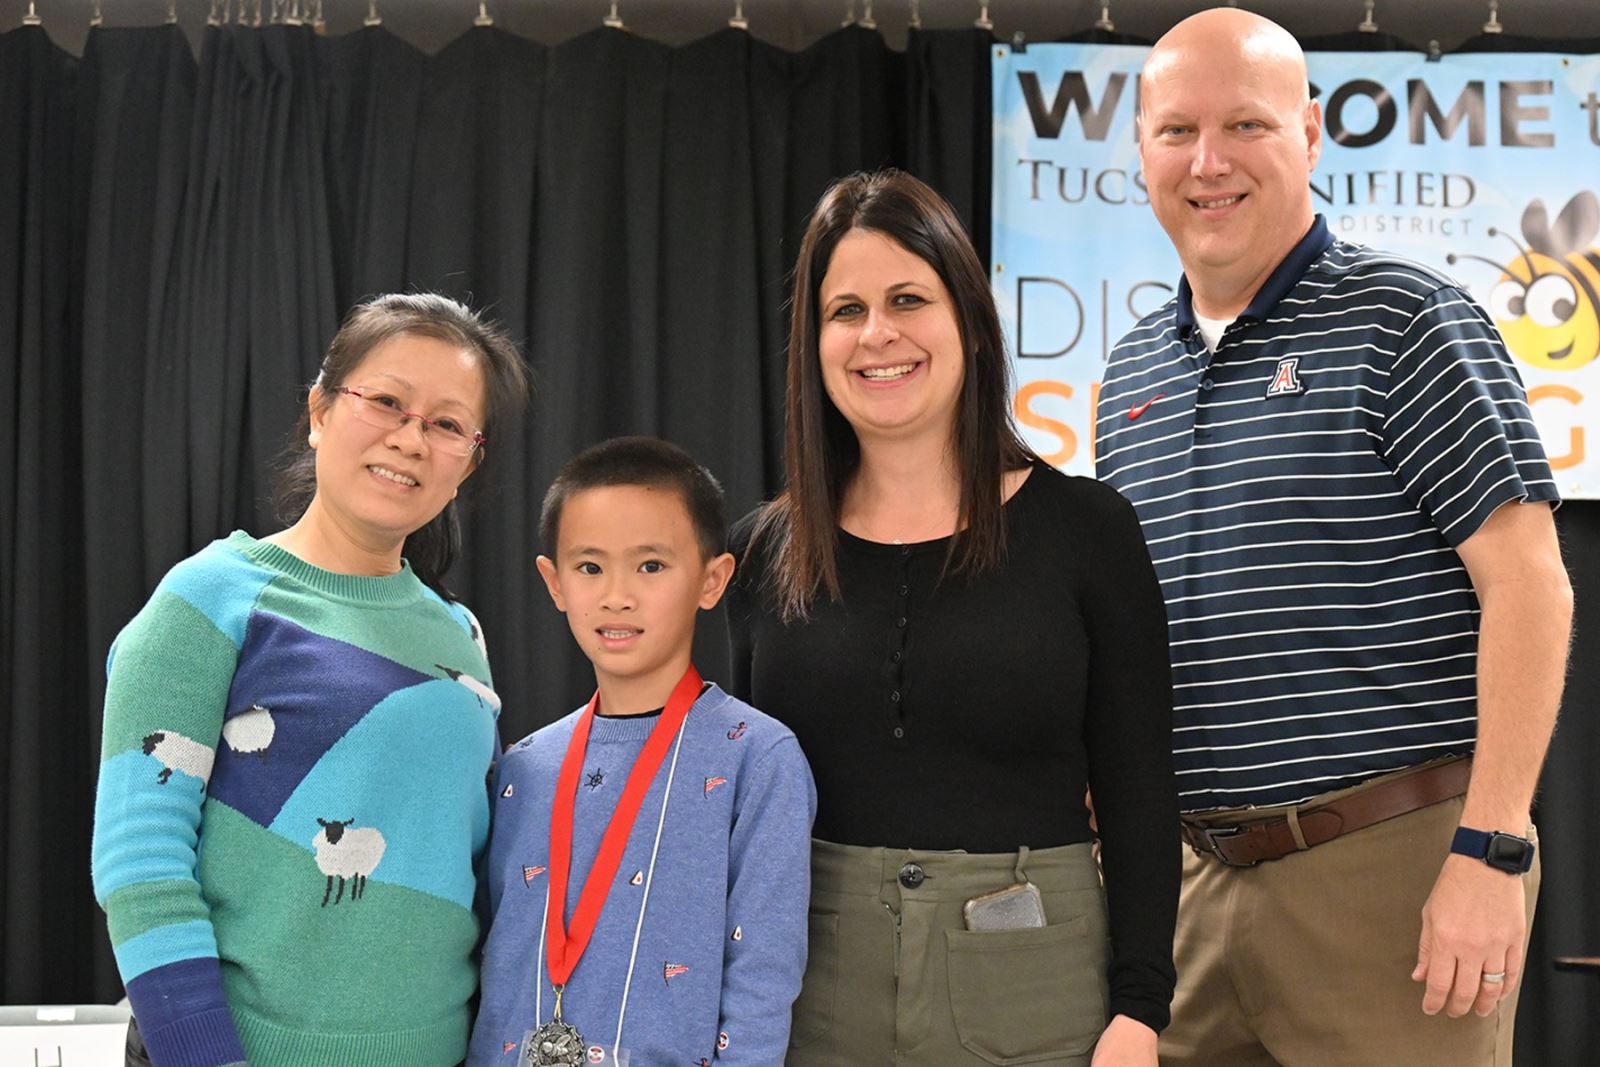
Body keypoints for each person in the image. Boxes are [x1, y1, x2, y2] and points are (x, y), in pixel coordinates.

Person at [1095, 9, 1573, 1065]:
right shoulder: (1129, 374)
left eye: (1245, 126)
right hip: (1189, 886)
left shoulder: (1410, 321)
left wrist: (1491, 848)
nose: (1207, 162)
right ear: (1140, 152)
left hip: (1388, 878)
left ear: (1308, 135)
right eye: (1176, 132)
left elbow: (1532, 587)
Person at [727, 169, 1179, 1067]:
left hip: (1039, 992)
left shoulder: (1088, 530)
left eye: (907, 298)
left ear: (970, 317)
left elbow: (1139, 787)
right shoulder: (758, 553)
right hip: (812, 996)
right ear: (812, 343)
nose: (877, 333)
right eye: (844, 309)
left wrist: (1140, 1009)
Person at [90, 293, 530, 1067]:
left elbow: (470, 870)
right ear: (321, 408)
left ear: (470, 461)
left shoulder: (460, 637)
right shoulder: (210, 597)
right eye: (387, 402)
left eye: (447, 423)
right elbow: (140, 861)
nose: (411, 438)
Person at [468, 436, 816, 1066]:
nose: (617, 595)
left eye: (651, 566)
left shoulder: (757, 758)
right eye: (590, 567)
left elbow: (764, 974)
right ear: (553, 582)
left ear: (712, 580)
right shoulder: (523, 766)